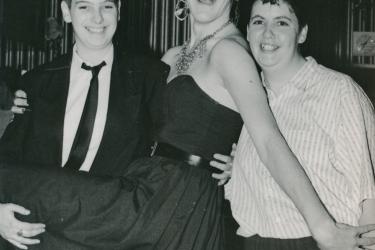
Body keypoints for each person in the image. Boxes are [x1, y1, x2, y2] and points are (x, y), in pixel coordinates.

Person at [1, 0, 375, 249]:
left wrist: (323, 228)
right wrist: (22, 103)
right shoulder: (171, 55)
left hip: (180, 201)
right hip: (147, 183)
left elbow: (267, 138)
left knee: (46, 195)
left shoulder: (231, 52)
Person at [0, 0, 232, 249]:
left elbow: (185, 134)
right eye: (84, 7)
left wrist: (228, 163)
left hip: (107, 235)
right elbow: (7, 160)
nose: (97, 18)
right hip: (39, 232)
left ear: (119, 11)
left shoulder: (151, 76)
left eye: (107, 7)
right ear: (67, 13)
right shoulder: (36, 82)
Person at [226, 0, 375, 249]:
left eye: (282, 22)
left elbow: (368, 197)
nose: (268, 33)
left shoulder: (338, 91)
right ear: (248, 31)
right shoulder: (244, 97)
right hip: (254, 243)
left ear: (302, 32)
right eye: (259, 21)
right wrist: (238, 169)